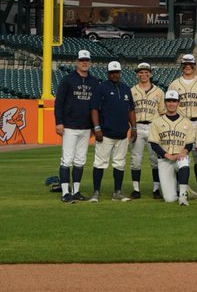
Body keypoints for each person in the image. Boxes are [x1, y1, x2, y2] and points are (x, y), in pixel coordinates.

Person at [54, 48, 100, 203]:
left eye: (87, 60)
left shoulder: (94, 82)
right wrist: (59, 122)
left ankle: (76, 191)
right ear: (77, 62)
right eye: (82, 60)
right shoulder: (68, 80)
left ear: (90, 62)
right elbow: (59, 102)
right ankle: (65, 192)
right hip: (69, 126)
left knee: (80, 160)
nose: (84, 63)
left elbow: (96, 106)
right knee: (67, 159)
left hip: (86, 127)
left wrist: (95, 126)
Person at [89, 61, 136, 202]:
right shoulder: (101, 88)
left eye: (117, 72)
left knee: (120, 163)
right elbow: (94, 109)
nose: (115, 75)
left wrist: (134, 127)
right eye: (112, 72)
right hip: (105, 134)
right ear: (108, 73)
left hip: (122, 134)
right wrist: (97, 128)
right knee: (100, 163)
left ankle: (117, 192)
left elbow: (131, 110)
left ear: (120, 73)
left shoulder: (127, 89)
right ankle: (96, 192)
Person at [171, 53, 197, 198]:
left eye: (190, 64)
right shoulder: (175, 84)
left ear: (194, 66)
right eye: (185, 64)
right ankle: (181, 186)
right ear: (182, 66)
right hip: (181, 123)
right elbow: (170, 105)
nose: (188, 67)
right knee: (180, 154)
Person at [148, 90, 195, 205]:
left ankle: (183, 195)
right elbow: (154, 144)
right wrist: (168, 155)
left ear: (178, 103)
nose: (171, 104)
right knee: (169, 199)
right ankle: (183, 189)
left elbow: (189, 144)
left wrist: (182, 153)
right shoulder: (157, 122)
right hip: (164, 159)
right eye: (169, 101)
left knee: (184, 160)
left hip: (180, 157)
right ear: (165, 102)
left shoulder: (186, 122)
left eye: (174, 101)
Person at [129, 62, 166, 199]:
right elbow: (129, 111)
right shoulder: (132, 91)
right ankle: (136, 189)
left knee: (155, 159)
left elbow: (162, 112)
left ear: (150, 73)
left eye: (146, 72)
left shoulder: (159, 91)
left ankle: (156, 189)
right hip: (137, 126)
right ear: (137, 74)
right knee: (136, 159)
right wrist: (132, 127)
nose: (144, 74)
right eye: (141, 72)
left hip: (153, 127)